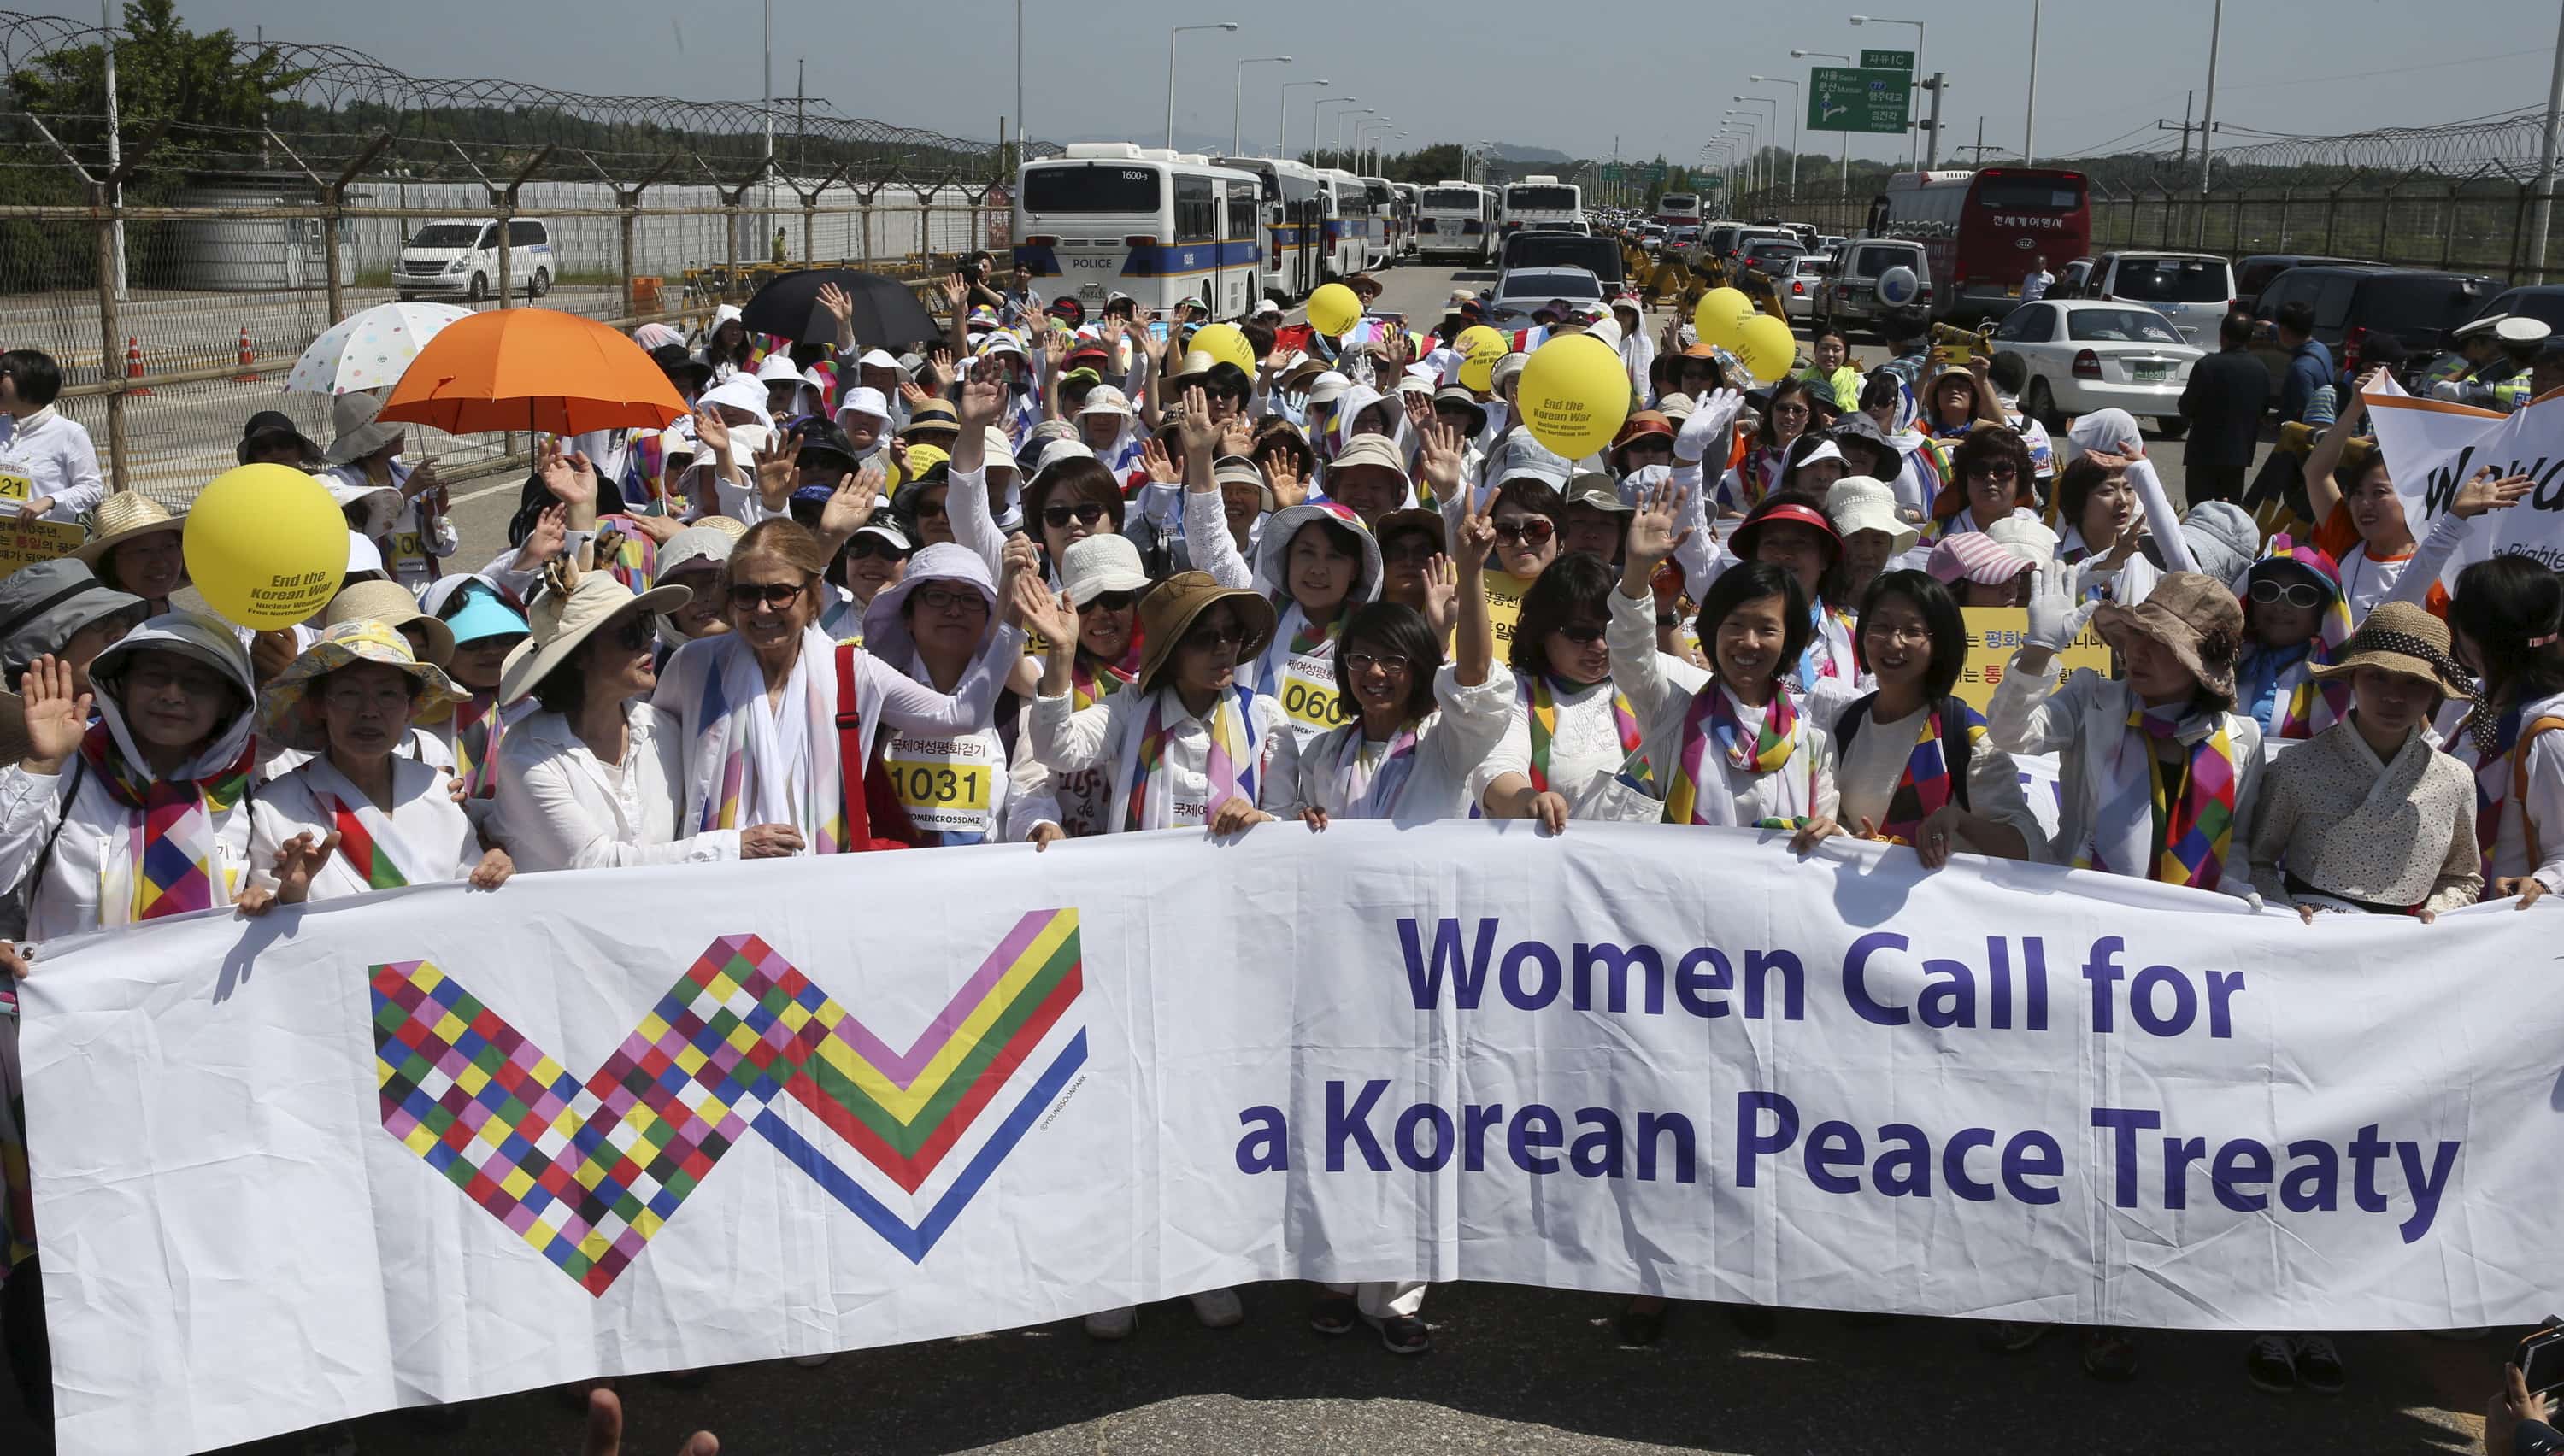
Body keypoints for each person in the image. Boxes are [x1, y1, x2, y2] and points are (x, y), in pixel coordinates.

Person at [653, 519, 1024, 854]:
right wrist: (729, 846)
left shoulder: (851, 670)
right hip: (714, 882)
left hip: (821, 889)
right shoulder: (694, 666)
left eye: (780, 593)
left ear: (814, 593)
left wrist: (1012, 618)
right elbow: (658, 774)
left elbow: (960, 715)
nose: (763, 609)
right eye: (747, 595)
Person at [497, 558, 798, 870]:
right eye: (629, 633)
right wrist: (732, 846)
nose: (646, 642)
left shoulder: (663, 728)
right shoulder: (528, 753)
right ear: (579, 657)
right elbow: (594, 862)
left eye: (647, 625)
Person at [0, 613, 259, 939]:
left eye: (197, 683)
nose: (172, 695)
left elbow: (267, 901)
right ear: (121, 687)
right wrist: (41, 765)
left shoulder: (245, 793)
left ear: (229, 703)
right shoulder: (64, 773)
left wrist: (267, 904)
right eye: (154, 676)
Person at [238, 622, 509, 910]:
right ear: (319, 705)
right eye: (349, 694)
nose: (369, 711)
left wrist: (495, 868)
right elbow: (266, 911)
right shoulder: (274, 807)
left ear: (409, 709)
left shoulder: (439, 790)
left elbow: (473, 903)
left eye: (388, 695)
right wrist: (290, 895)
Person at [2249, 600, 2479, 922]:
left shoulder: (2456, 780)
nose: (2394, 696)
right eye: (2377, 676)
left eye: (2414, 682)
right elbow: (2256, 861)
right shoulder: (2296, 767)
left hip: (2405, 948)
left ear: (2434, 693)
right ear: (2351, 678)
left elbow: (2462, 876)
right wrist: (2284, 910)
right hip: (2305, 940)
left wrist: (2436, 914)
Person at [1833, 570, 2041, 864]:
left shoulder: (1967, 735)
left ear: (1940, 643)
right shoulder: (1844, 724)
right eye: (1880, 626)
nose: (1894, 643)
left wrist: (1959, 820)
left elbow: (2029, 848)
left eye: (1913, 631)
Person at [864, 542, 1059, 847]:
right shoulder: (871, 700)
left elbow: (1030, 792)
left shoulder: (1014, 706)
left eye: (970, 600)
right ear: (908, 616)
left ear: (986, 618)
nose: (954, 610)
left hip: (985, 884)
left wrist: (1038, 824)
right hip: (893, 882)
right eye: (937, 596)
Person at [2449, 555, 2564, 905]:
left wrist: (2541, 885)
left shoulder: (2548, 734)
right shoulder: (2472, 709)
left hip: (2497, 934)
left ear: (2474, 639)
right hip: (2445, 922)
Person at [320, 391, 453, 593]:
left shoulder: (406, 475)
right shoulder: (341, 482)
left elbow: (445, 549)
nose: (399, 432)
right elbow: (356, 536)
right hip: (379, 594)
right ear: (364, 442)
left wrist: (432, 518)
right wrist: (405, 493)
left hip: (426, 590)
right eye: (385, 429)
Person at [2232, 537, 2352, 742]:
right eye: (2267, 590)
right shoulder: (2225, 663)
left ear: (2323, 610)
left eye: (2302, 596)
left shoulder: (2336, 679)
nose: (2281, 605)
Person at [0, 349, 106, 525]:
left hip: (44, 542)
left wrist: (50, 501)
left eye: (1, 375)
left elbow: (92, 489)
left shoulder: (69, 433)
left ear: (28, 380)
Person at [2179, 313, 2271, 504]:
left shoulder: (2206, 366)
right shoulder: (2261, 369)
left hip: (2203, 455)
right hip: (2238, 457)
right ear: (2250, 338)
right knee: (2229, 513)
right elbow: (2262, 411)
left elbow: (2186, 407)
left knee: (2199, 512)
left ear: (2222, 336)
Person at [74, 492, 185, 614]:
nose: (160, 562)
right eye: (143, 550)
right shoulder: (105, 630)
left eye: (169, 546)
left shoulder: (188, 624)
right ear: (110, 562)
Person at [1825, 476, 1921, 608]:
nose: (1867, 554)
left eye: (1878, 541)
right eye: (1856, 540)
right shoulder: (1814, 606)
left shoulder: (1902, 607)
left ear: (1890, 544)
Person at [2273, 301, 2334, 427]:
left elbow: (2305, 414)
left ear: (2284, 330)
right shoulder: (2322, 349)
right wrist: (2269, 328)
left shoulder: (2300, 369)